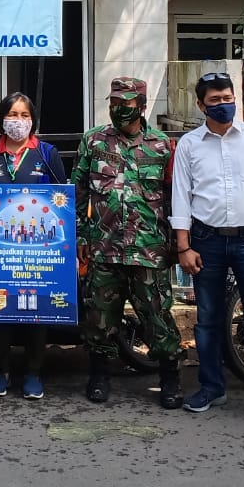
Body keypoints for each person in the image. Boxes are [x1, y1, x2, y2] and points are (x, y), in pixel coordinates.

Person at [172, 72, 244, 428]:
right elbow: (181, 195)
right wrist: (183, 247)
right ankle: (211, 388)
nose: (223, 105)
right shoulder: (190, 145)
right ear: (200, 105)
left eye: (227, 98)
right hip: (206, 241)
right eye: (215, 101)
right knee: (207, 320)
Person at [73, 77, 184, 409]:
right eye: (115, 103)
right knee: (99, 319)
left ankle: (170, 378)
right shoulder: (93, 142)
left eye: (127, 104)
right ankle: (99, 375)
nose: (119, 109)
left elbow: (175, 199)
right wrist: (80, 235)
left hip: (148, 251)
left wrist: (178, 244)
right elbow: (78, 193)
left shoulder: (163, 146)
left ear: (143, 105)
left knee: (158, 317)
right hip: (103, 248)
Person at [0, 92, 66, 400]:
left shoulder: (46, 153)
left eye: (24, 115)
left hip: (40, 251)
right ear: (1, 119)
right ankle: (0, 370)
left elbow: (61, 199)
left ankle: (33, 373)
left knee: (36, 310)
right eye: (12, 115)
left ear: (33, 120)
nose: (18, 121)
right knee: (0, 309)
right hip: (1, 250)